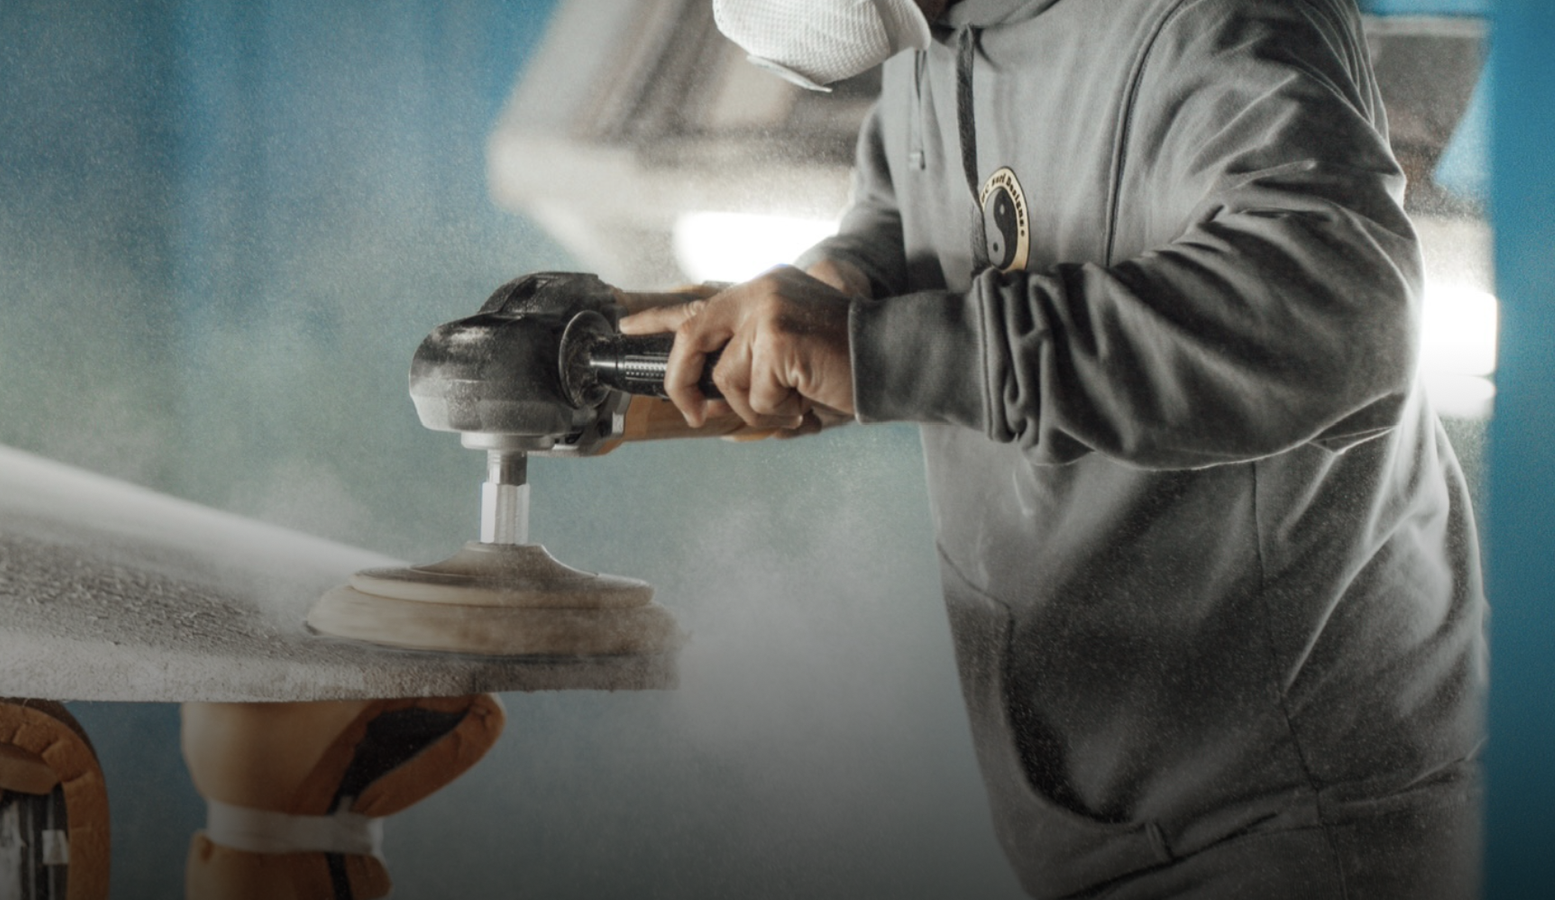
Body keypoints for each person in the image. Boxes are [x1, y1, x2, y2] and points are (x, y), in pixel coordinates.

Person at [621, 0, 1487, 896]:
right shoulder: (938, 22)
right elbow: (910, 210)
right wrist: (839, 289)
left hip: (1290, 822)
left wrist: (890, 350)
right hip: (1090, 820)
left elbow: (1340, 314)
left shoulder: (1214, 21)